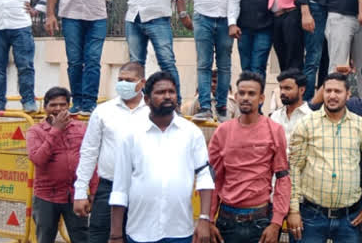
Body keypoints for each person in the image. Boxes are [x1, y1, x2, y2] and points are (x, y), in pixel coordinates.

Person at [109, 71, 214, 243]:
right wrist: (115, 235)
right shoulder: (131, 134)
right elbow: (120, 187)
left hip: (180, 231)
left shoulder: (191, 132)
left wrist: (204, 219)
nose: (167, 96)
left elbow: (204, 177)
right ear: (147, 100)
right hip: (140, 232)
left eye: (171, 92)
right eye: (160, 92)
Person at [287, 73, 362, 243]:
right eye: (328, 91)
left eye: (338, 91)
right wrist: (294, 211)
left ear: (348, 94)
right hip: (311, 217)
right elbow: (294, 168)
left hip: (351, 218)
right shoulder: (306, 124)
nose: (332, 96)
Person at [207, 72, 289, 243]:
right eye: (242, 93)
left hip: (260, 220)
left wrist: (276, 223)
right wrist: (208, 218)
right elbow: (213, 179)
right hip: (226, 220)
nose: (246, 97)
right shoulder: (223, 131)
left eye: (251, 94)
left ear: (261, 99)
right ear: (235, 96)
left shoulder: (274, 130)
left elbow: (282, 178)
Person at [73, 62, 149, 243]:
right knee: (99, 236)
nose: (123, 84)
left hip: (143, 189)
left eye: (129, 80)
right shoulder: (103, 112)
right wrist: (80, 191)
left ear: (142, 83)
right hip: (108, 187)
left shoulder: (153, 112)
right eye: (120, 80)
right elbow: (89, 152)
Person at [27, 87, 94, 243]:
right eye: (53, 105)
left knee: (82, 237)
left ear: (68, 106)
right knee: (45, 237)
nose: (58, 109)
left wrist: (93, 192)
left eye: (62, 105)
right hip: (46, 197)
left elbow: (91, 161)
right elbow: (38, 159)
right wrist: (55, 130)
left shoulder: (80, 128)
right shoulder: (35, 131)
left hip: (75, 195)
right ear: (45, 108)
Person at [269, 68, 313, 147]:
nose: (282, 92)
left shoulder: (311, 117)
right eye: (281, 88)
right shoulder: (275, 116)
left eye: (287, 88)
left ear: (302, 90)